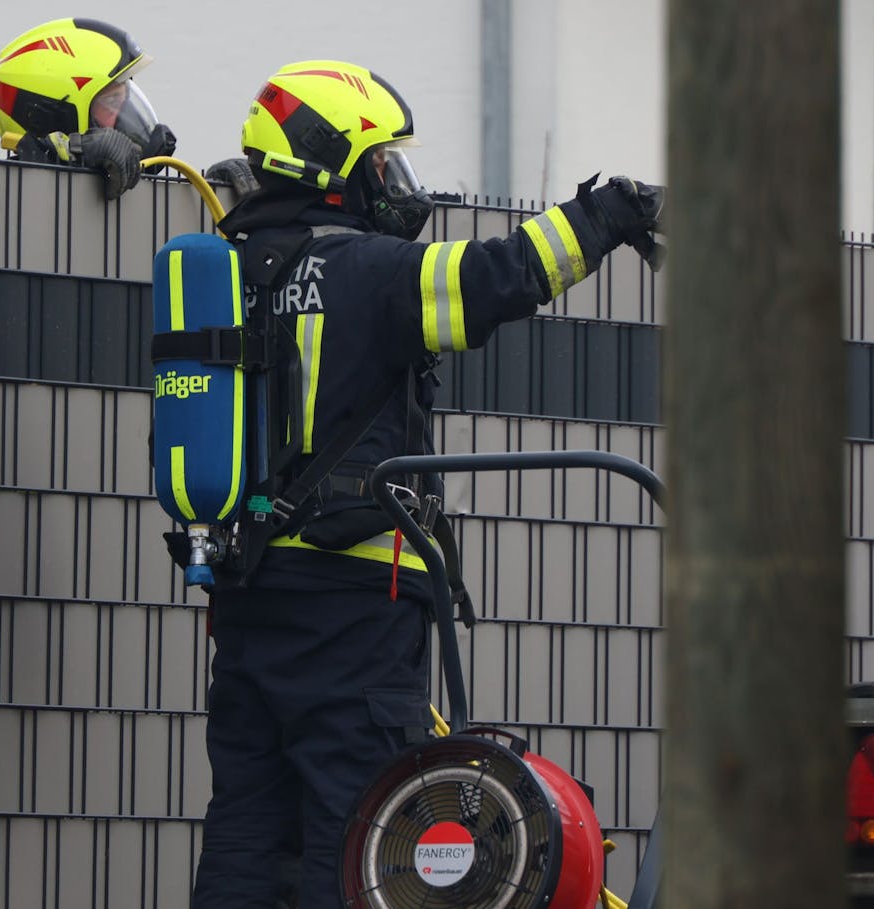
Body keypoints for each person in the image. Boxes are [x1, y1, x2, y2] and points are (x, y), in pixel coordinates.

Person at [189, 60, 663, 907]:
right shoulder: (368, 271)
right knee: (359, 822)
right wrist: (606, 214)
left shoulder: (226, 269)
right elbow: (497, 277)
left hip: (247, 593)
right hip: (354, 605)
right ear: (331, 166)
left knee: (248, 826)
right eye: (379, 160)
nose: (393, 179)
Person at [0, 17, 177, 199]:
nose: (122, 116)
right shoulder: (1, 202)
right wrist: (77, 150)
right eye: (111, 103)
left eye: (124, 99)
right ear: (53, 118)